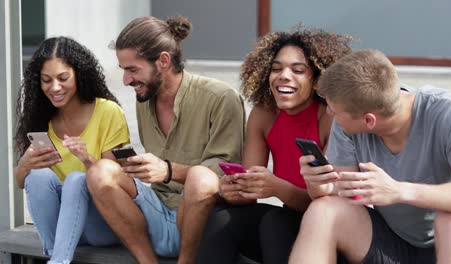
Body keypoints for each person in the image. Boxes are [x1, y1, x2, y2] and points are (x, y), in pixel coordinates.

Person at [85, 16, 245, 264]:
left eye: (132, 69)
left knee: (201, 179)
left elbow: (226, 175)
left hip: (203, 220)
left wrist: (168, 170)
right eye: (124, 70)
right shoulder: (145, 97)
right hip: (156, 211)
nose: (126, 80)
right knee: (101, 171)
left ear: (163, 61)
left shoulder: (221, 98)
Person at [289, 49, 451, 264]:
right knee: (323, 210)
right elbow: (341, 192)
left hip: (449, 245)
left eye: (335, 111)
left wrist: (399, 190)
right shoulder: (346, 124)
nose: (329, 113)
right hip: (392, 241)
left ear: (369, 120)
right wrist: (320, 186)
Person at [196, 28, 352, 263]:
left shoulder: (330, 117)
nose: (284, 76)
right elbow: (249, 194)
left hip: (332, 229)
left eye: (298, 70)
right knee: (222, 217)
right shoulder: (264, 114)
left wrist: (277, 188)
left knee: (276, 222)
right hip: (289, 220)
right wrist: (231, 190)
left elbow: (326, 203)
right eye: (276, 69)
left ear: (319, 78)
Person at [14, 36, 130, 264]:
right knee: (37, 176)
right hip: (61, 230)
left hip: (102, 223)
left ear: (79, 74)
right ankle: (55, 256)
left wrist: (87, 160)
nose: (54, 87)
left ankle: (57, 259)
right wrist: (25, 165)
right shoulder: (42, 118)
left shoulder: (108, 112)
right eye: (46, 80)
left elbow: (116, 182)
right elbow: (21, 183)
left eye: (63, 78)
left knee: (77, 180)